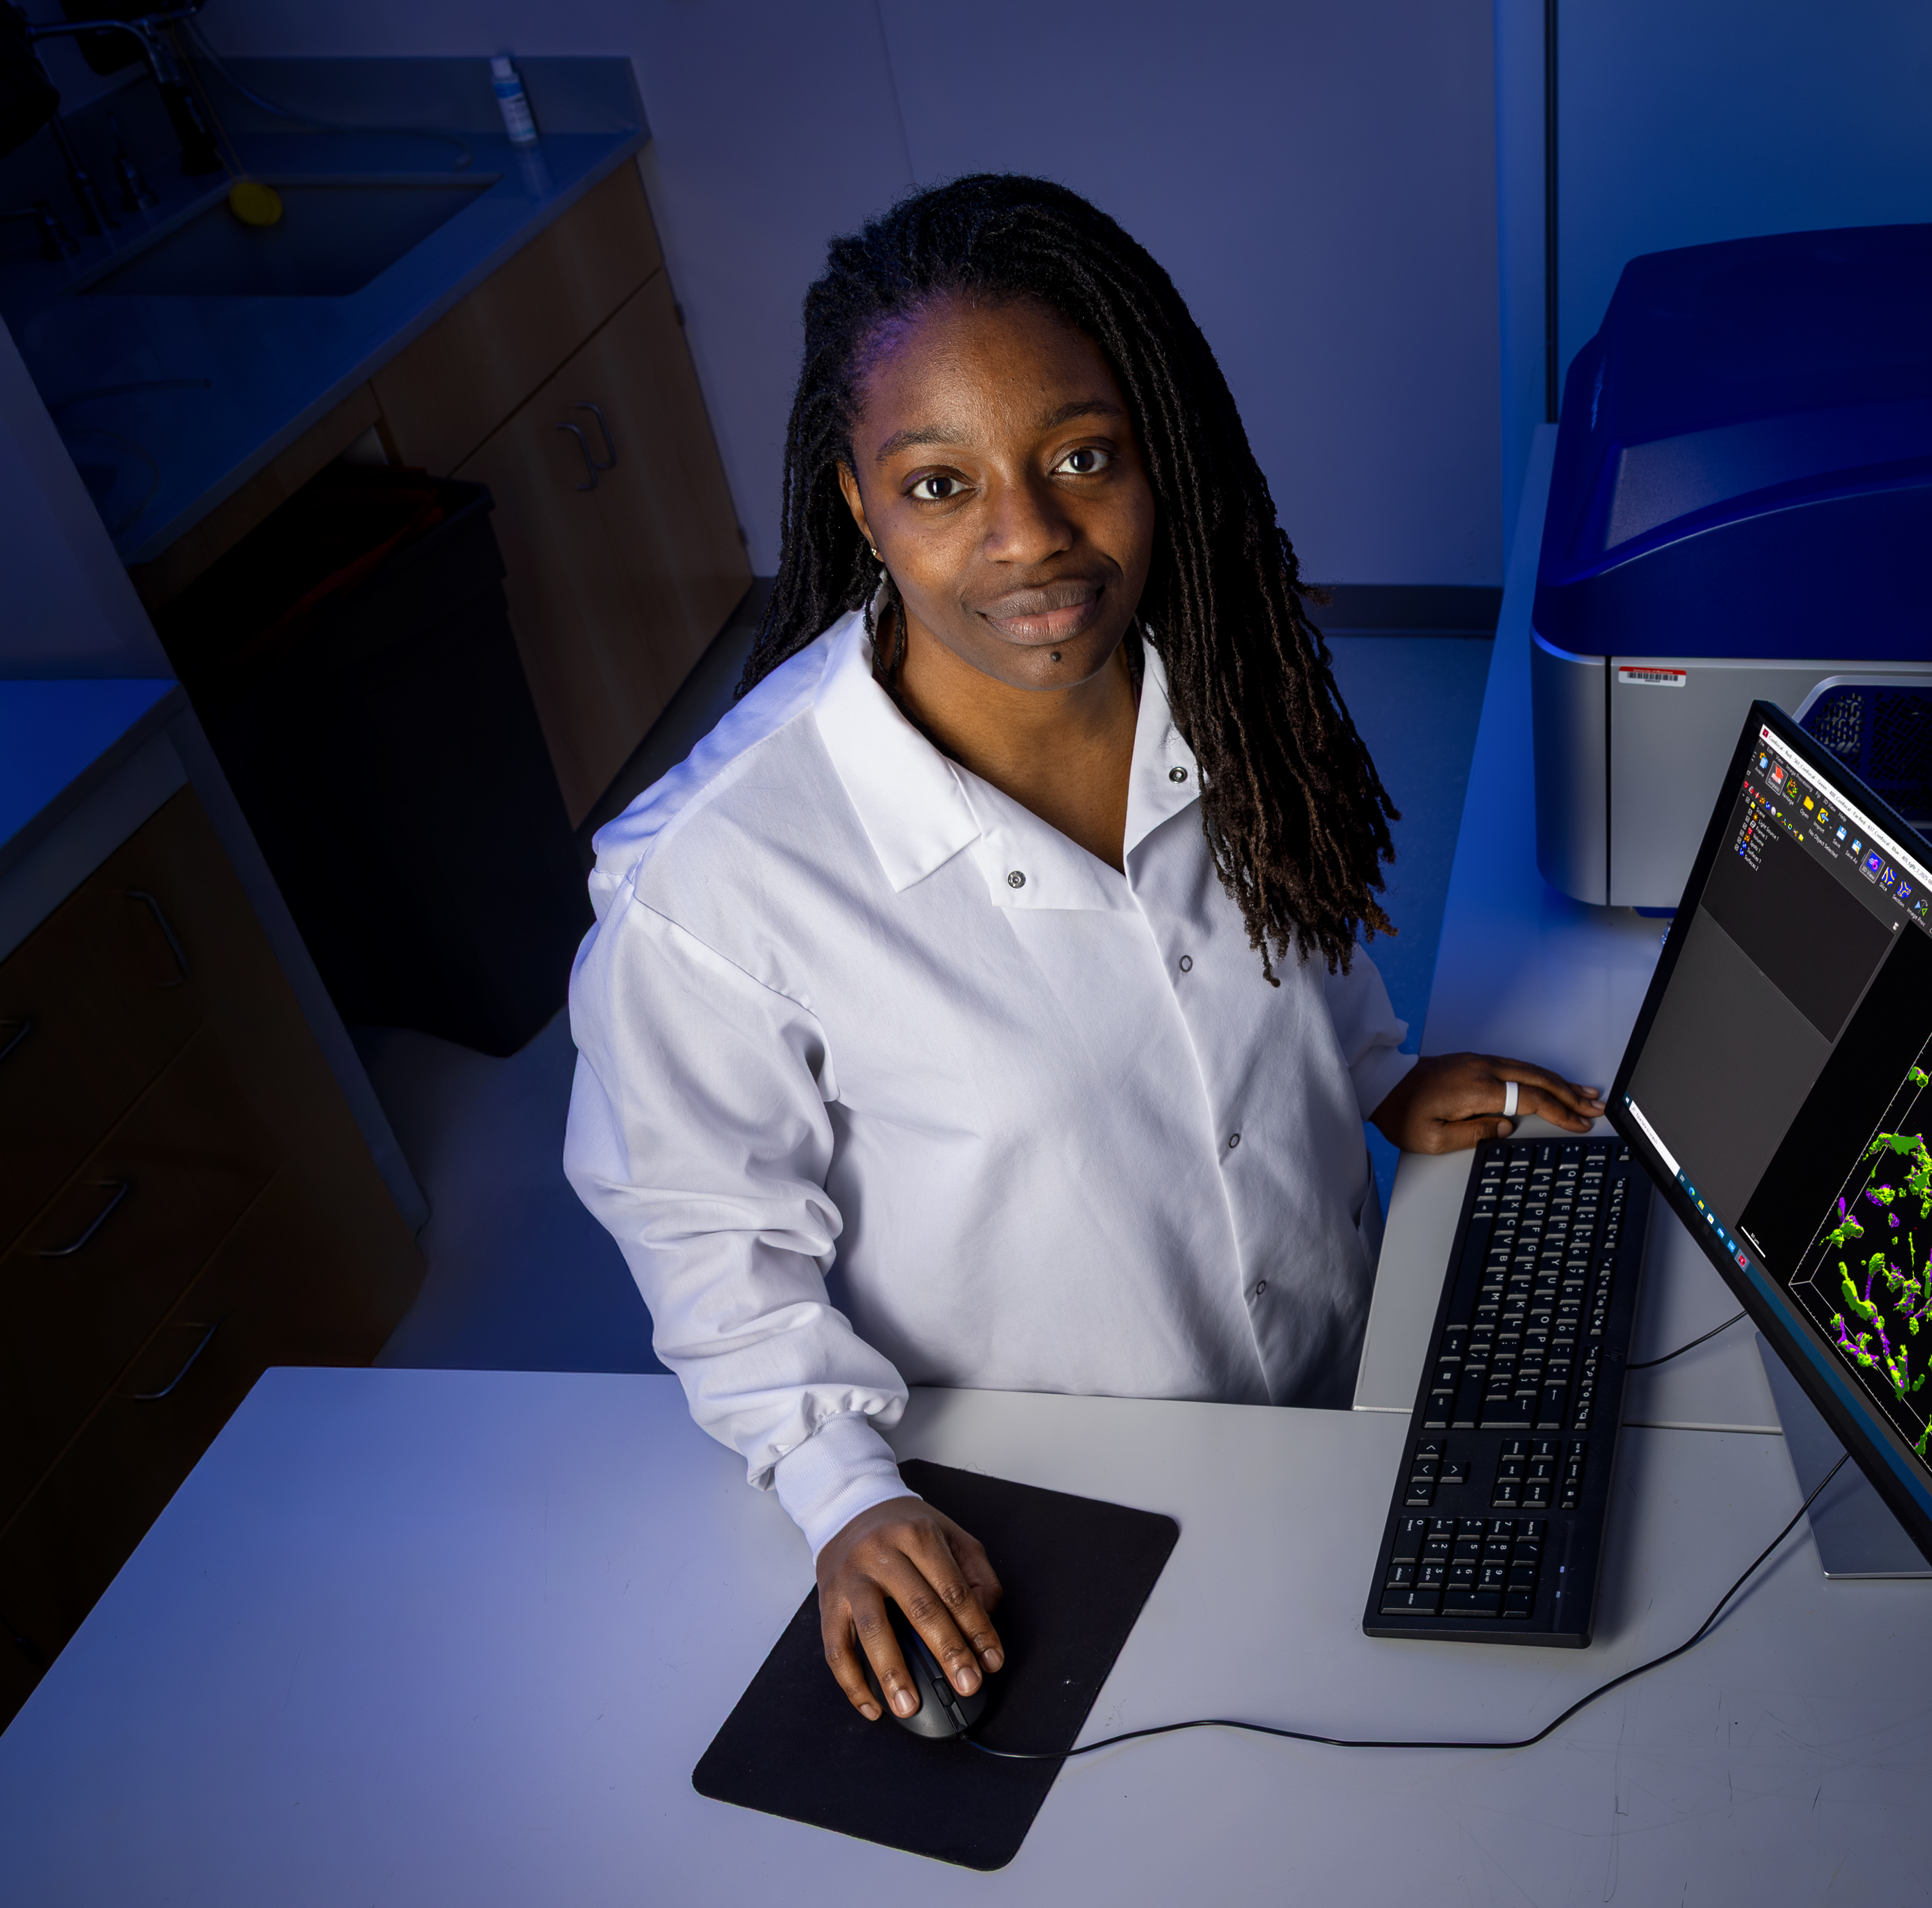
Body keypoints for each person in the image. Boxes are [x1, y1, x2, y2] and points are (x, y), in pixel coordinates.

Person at [565, 175, 1599, 1726]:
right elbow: (710, 1237)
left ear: (1154, 452)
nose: (1032, 540)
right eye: (939, 486)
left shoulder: (1217, 680)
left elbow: (1284, 941)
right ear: (856, 502)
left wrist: (1372, 1075)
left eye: (1080, 458)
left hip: (1331, 1406)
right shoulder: (716, 881)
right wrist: (844, 1492)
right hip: (1060, 1510)